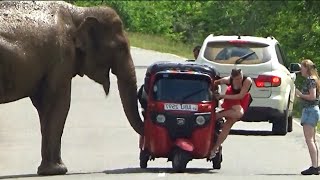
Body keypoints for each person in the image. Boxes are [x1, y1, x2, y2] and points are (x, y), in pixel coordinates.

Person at [209, 68, 252, 159]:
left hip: (242, 99)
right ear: (232, 78)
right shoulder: (228, 80)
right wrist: (213, 91)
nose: (239, 80)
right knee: (238, 113)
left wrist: (223, 96)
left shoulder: (247, 81)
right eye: (236, 79)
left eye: (240, 78)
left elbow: (241, 95)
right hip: (231, 96)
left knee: (228, 124)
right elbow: (215, 82)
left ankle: (215, 148)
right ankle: (219, 115)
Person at [295, 59, 320, 175]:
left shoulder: (310, 80)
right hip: (312, 110)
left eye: (302, 68)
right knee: (312, 140)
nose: (301, 70)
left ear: (307, 68)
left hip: (310, 111)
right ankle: (316, 165)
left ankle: (314, 166)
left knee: (309, 140)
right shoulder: (314, 79)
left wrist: (300, 94)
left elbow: (312, 96)